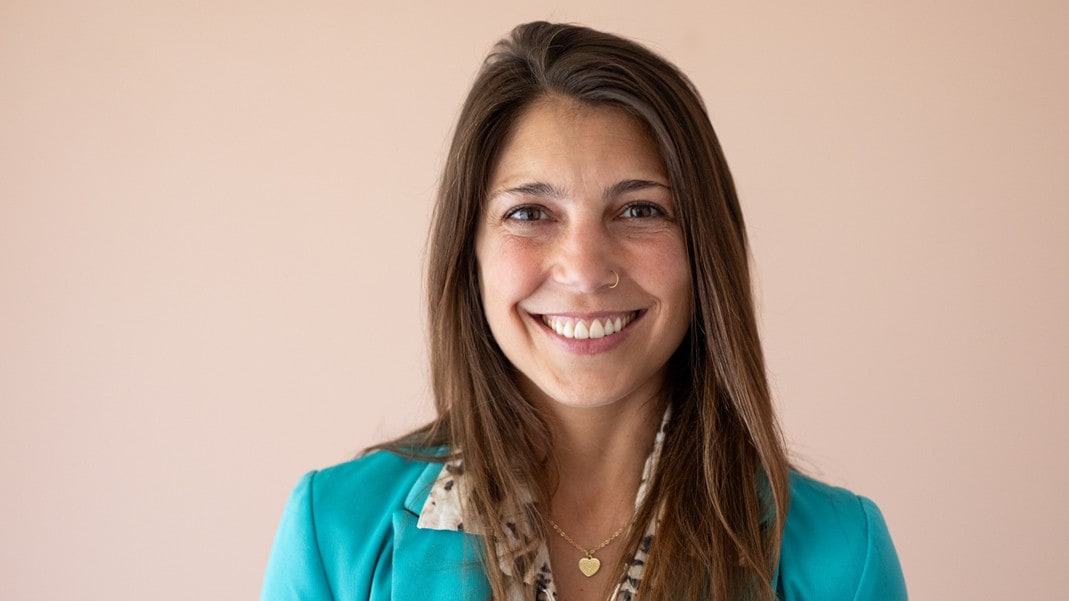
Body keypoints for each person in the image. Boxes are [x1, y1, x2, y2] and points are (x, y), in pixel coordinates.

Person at [261, 21, 906, 601]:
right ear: (470, 252)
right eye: (530, 213)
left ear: (703, 248)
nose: (585, 269)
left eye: (639, 210)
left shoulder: (842, 559)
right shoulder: (334, 535)